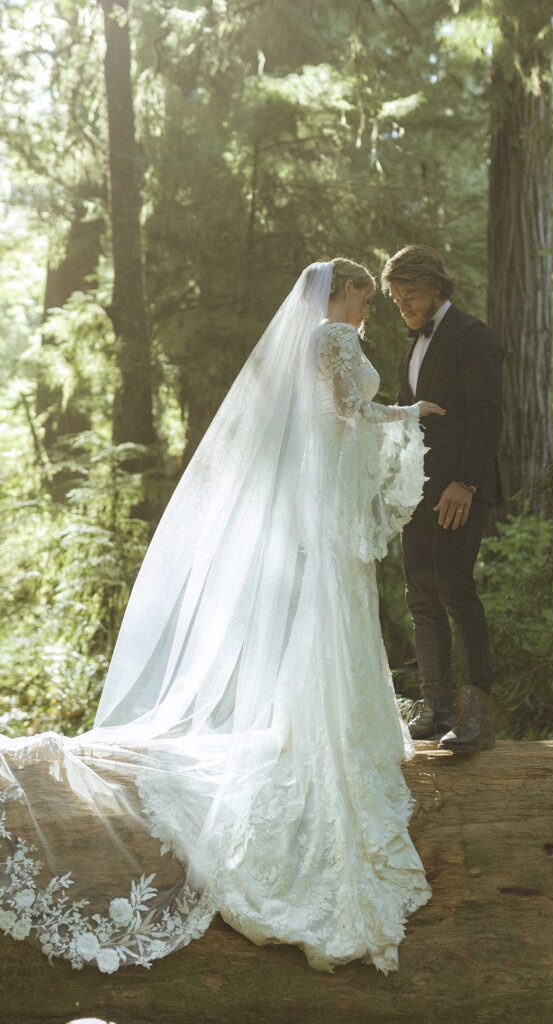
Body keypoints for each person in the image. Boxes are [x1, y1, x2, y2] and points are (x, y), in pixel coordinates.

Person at [0, 259, 443, 976]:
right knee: (335, 608)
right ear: (343, 294)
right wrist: (402, 418)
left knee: (338, 609)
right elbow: (339, 416)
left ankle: (327, 720)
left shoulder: (322, 337)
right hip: (327, 498)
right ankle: (324, 729)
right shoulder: (331, 336)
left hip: (324, 495)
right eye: (366, 299)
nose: (370, 312)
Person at [381, 245, 505, 753]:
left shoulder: (473, 336)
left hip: (459, 490)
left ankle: (478, 715)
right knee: (421, 599)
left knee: (455, 590)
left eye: (409, 293)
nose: (402, 304)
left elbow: (487, 414)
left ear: (436, 286)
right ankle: (435, 709)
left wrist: (467, 483)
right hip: (419, 490)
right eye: (394, 297)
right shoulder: (414, 344)